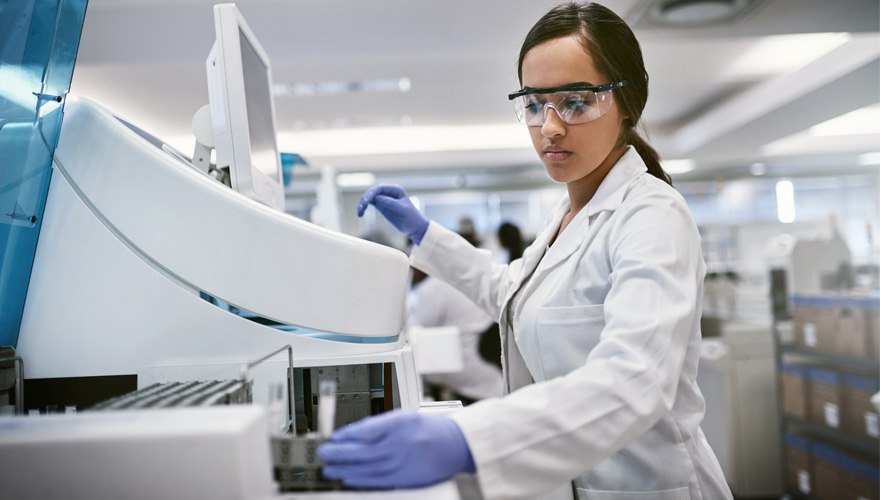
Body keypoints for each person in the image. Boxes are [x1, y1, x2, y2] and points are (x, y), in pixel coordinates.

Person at [318, 3, 732, 499]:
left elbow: (637, 379)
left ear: (627, 103)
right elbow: (510, 294)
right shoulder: (567, 215)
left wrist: (467, 440)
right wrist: (426, 234)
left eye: (575, 101)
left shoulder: (652, 217)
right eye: (535, 104)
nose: (549, 127)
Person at [410, 266, 503, 404]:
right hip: (484, 362)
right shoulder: (457, 278)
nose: (411, 273)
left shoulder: (433, 287)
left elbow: (416, 328)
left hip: (464, 362)